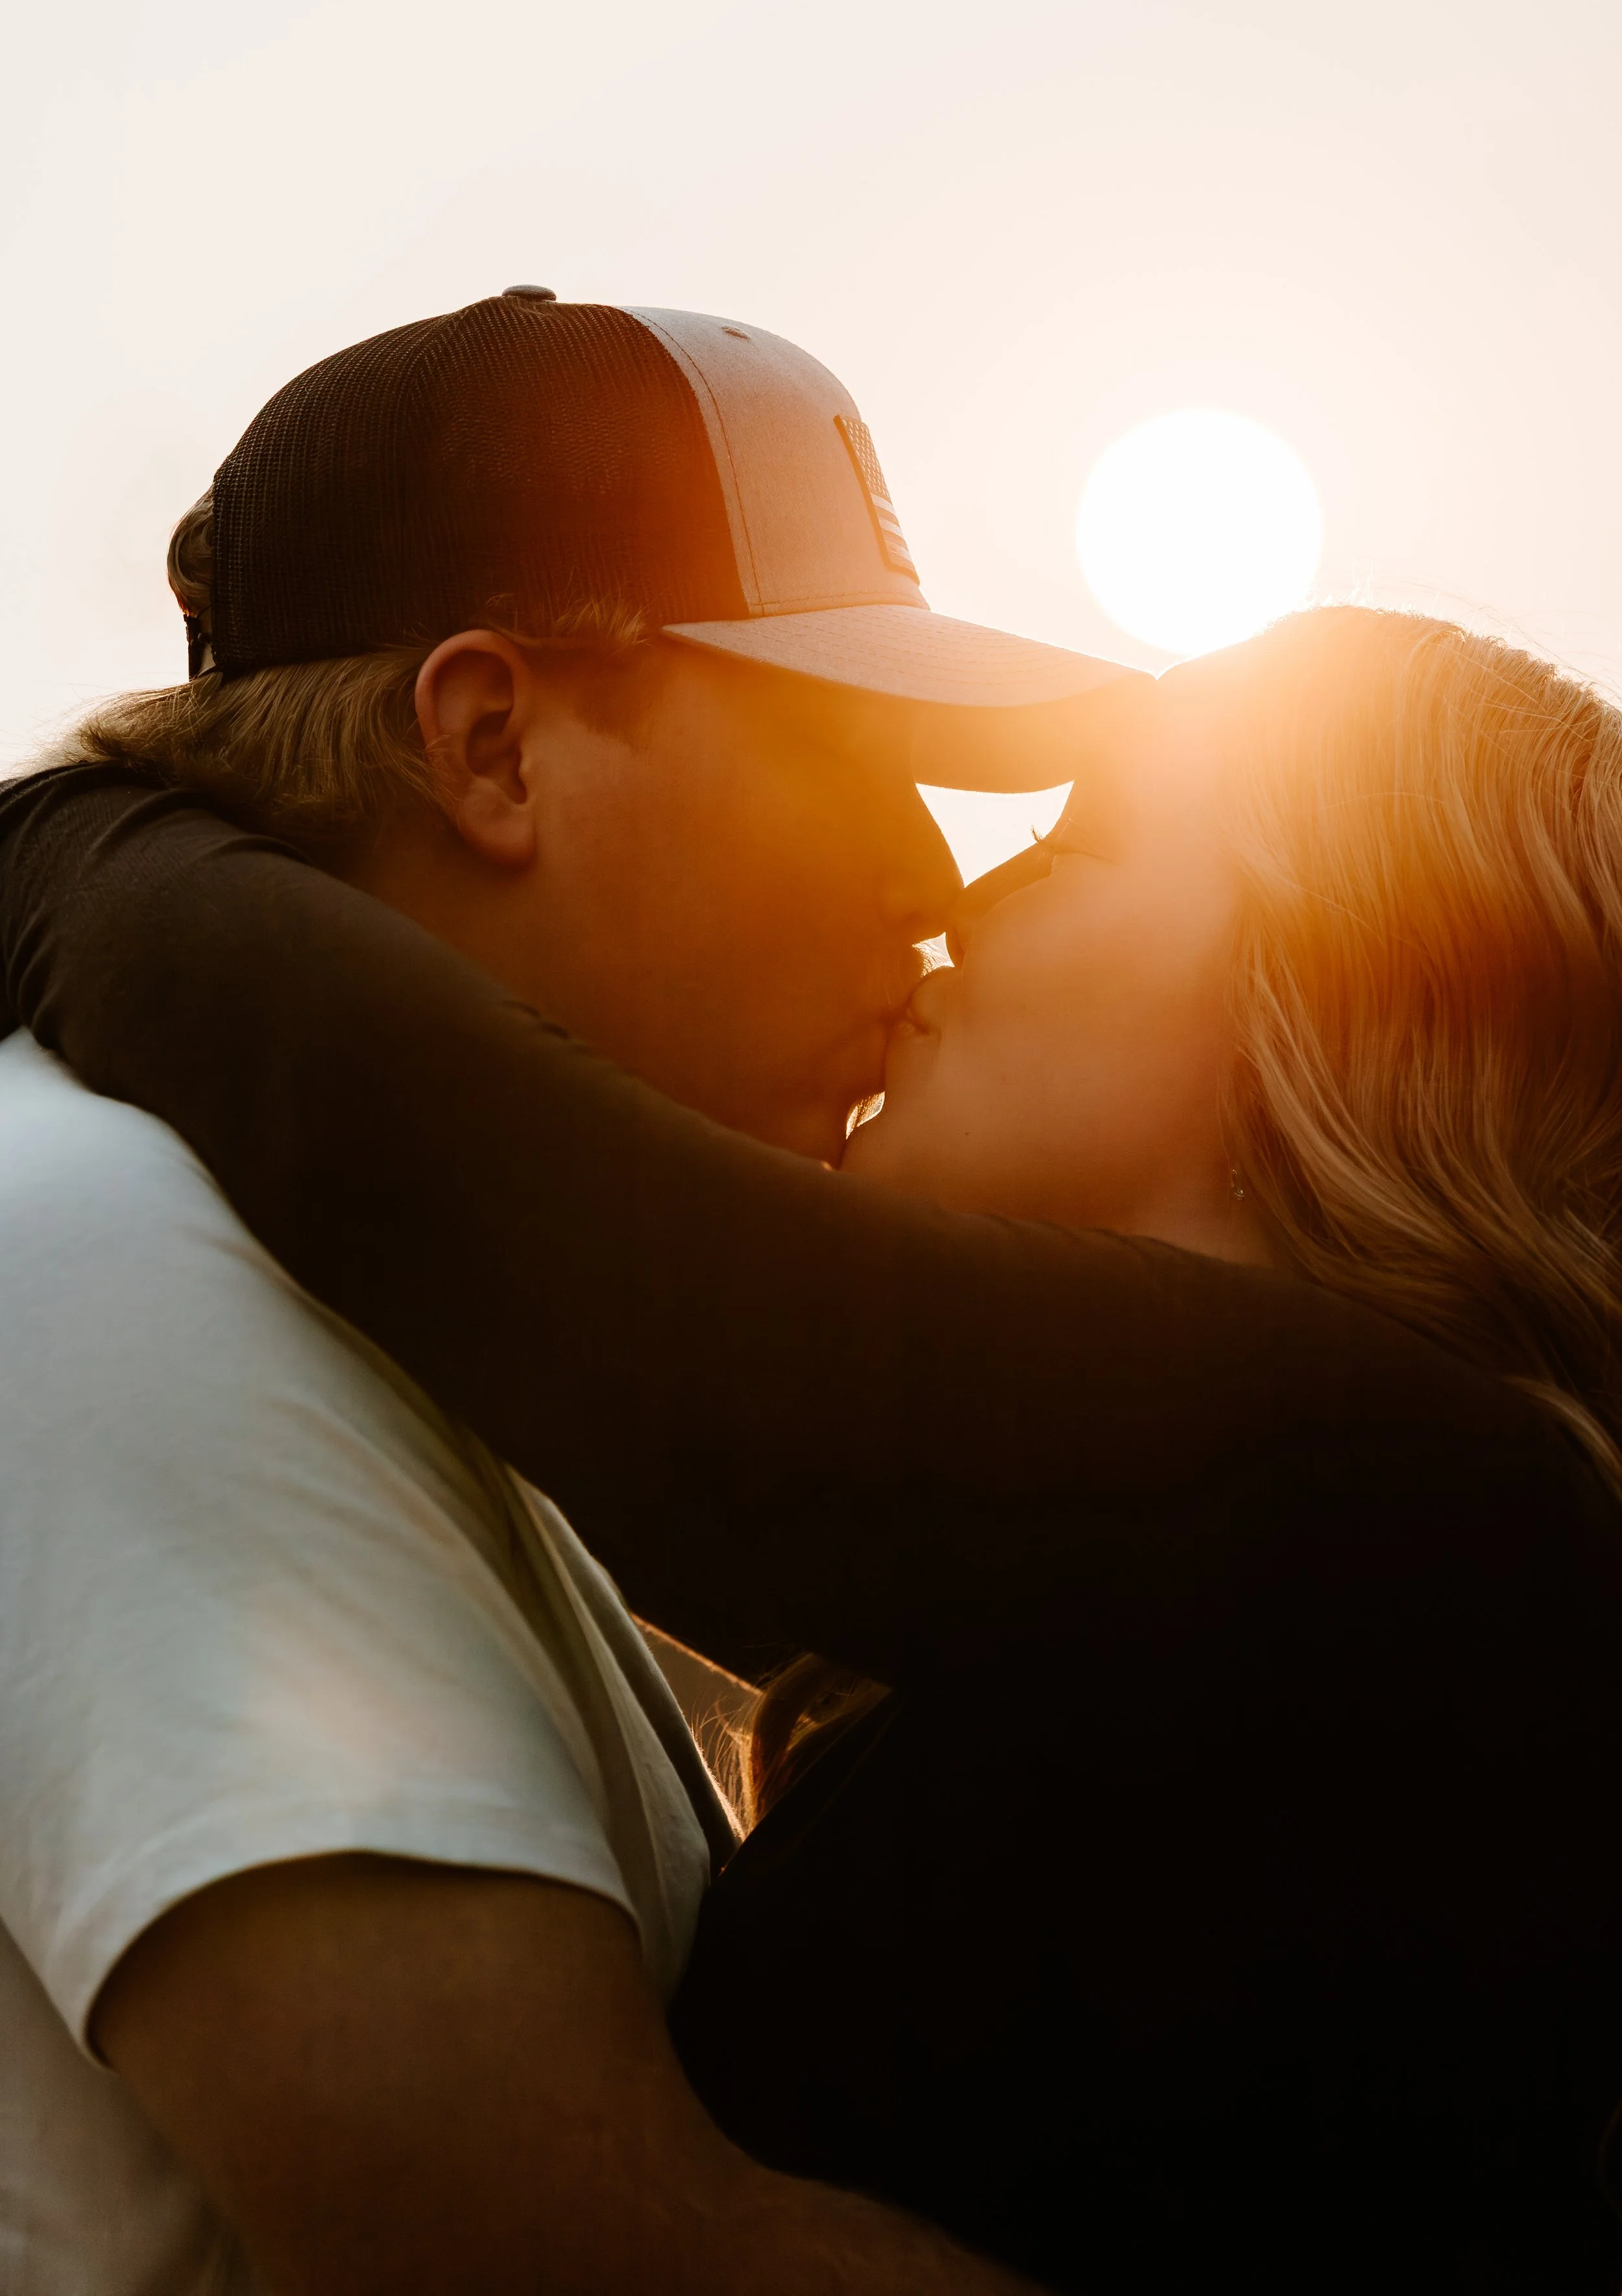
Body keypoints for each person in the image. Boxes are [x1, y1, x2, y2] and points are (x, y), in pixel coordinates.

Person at [7, 588, 1622, 2296]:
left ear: (1349, 961)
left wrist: (66, 844)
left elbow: (435, 1160)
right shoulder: (1232, 1578)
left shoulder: (1444, 1504)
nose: (956, 906)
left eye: (1086, 844)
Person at [0, 289, 1124, 2296]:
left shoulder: (340, 1294)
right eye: (853, 757)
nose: (935, 881)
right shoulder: (128, 1257)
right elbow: (571, 2259)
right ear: (489, 740)